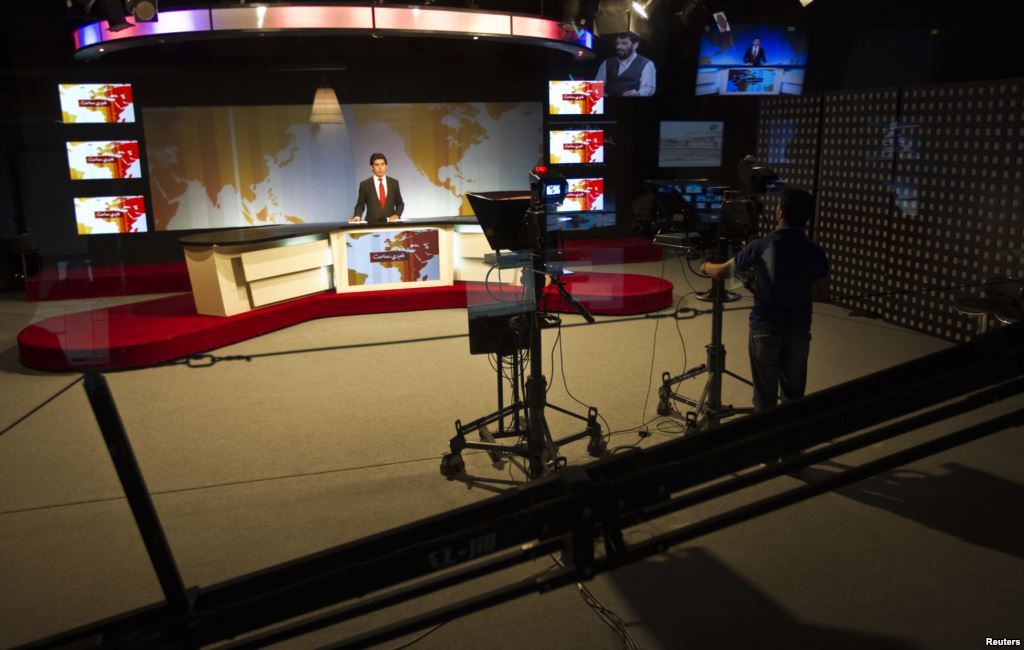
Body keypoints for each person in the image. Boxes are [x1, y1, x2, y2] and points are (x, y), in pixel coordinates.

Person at [700, 187, 829, 412]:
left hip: (765, 329)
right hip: (799, 330)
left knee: (764, 399)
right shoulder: (816, 251)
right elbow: (822, 295)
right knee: (794, 398)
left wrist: (705, 266)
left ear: (780, 211)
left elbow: (723, 272)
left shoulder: (762, 245)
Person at [595, 32, 656, 97]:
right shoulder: (606, 63)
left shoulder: (646, 63)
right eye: (617, 43)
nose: (619, 46)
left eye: (624, 43)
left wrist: (638, 94)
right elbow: (596, 87)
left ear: (635, 45)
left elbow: (648, 88)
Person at [350, 152, 404, 224]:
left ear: (386, 166)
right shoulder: (364, 185)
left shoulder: (394, 183)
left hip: (390, 225)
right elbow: (360, 204)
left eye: (382, 164)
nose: (380, 168)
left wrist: (396, 215)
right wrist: (357, 216)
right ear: (371, 167)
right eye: (376, 165)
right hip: (371, 225)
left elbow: (400, 203)